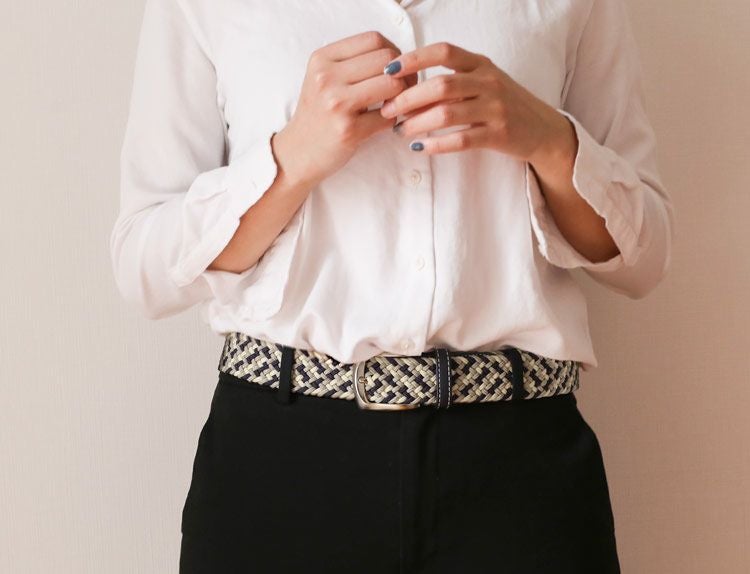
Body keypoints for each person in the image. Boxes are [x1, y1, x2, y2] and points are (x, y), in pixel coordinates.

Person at [110, 0, 674, 572]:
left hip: (519, 470)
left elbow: (643, 260)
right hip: (280, 470)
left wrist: (551, 141)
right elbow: (143, 268)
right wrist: (291, 158)